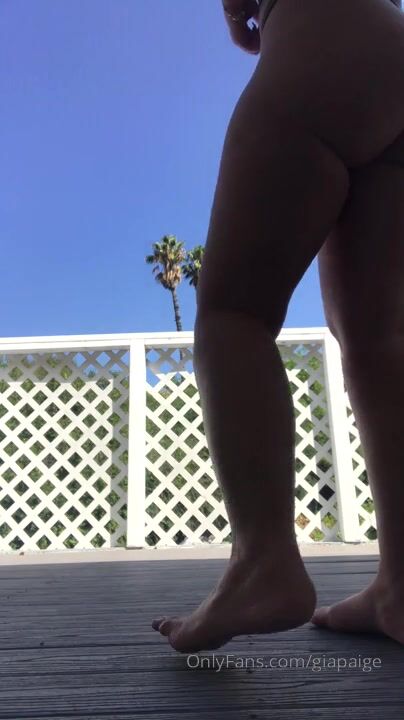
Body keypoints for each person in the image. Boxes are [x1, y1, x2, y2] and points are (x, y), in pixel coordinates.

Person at [152, 0, 404, 652]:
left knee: (234, 313)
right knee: (377, 345)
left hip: (322, 37)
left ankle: (262, 561)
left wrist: (238, 14)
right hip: (391, 42)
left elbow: (241, 17)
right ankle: (401, 587)